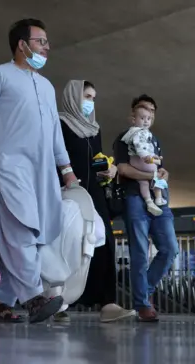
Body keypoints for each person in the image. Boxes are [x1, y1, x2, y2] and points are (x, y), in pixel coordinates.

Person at [0, 18, 79, 324]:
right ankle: (34, 298)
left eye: (47, 42)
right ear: (22, 45)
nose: (47, 47)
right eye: (41, 41)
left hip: (41, 171)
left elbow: (55, 133)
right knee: (20, 230)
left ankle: (2, 303)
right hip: (6, 165)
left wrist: (66, 170)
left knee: (35, 236)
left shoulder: (47, 86)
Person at [56, 79, 135, 322]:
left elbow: (94, 160)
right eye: (86, 96)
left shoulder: (94, 128)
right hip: (69, 192)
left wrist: (108, 169)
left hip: (95, 193)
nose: (90, 102)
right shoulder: (59, 123)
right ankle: (60, 301)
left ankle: (108, 302)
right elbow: (56, 158)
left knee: (104, 243)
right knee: (68, 244)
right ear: (73, 96)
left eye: (93, 98)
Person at [113, 94, 177, 322]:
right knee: (139, 252)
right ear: (133, 114)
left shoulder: (154, 139)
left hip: (160, 197)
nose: (146, 115)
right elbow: (123, 169)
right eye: (143, 111)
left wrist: (163, 174)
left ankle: (144, 291)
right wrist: (148, 176)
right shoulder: (125, 137)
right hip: (134, 198)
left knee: (170, 249)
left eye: (151, 112)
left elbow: (159, 168)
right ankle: (142, 304)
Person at [120, 105, 167, 216]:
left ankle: (148, 201)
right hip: (143, 160)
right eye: (142, 118)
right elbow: (140, 146)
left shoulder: (130, 132)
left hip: (134, 161)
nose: (146, 121)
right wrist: (146, 157)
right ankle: (158, 198)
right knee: (156, 175)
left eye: (148, 118)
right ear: (134, 120)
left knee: (143, 182)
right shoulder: (141, 132)